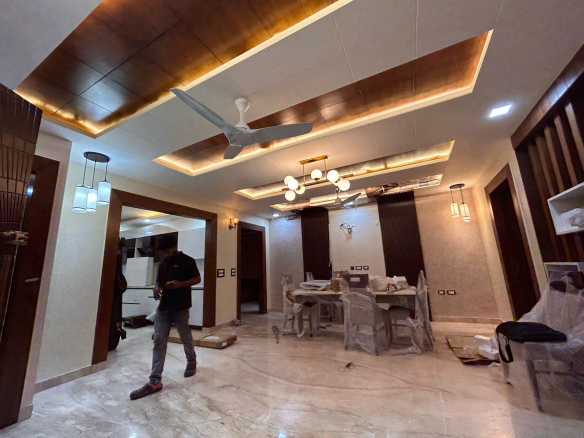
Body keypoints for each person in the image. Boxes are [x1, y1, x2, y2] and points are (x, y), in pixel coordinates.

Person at [130, 234, 201, 400]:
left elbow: (198, 279)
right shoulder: (163, 264)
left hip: (181, 306)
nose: (165, 254)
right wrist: (157, 288)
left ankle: (191, 360)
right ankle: (155, 380)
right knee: (158, 341)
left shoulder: (187, 261)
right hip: (163, 307)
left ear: (175, 248)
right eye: (163, 252)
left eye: (168, 251)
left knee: (185, 336)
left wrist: (180, 284)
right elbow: (159, 282)